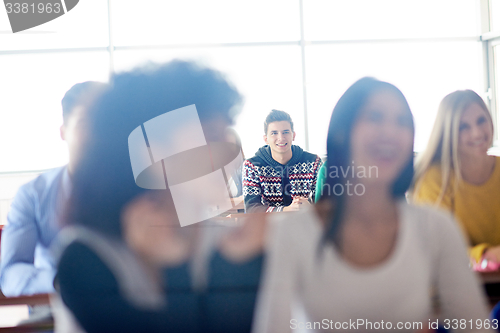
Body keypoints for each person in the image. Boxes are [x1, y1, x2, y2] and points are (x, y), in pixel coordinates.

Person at [252, 78, 490, 332]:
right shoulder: (293, 233)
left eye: (401, 121)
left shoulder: (436, 227)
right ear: (343, 132)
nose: (390, 132)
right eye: (375, 117)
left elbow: (475, 326)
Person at [56, 60, 266, 333]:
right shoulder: (85, 255)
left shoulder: (224, 240)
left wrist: (241, 261)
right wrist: (175, 268)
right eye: (211, 135)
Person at [0, 81, 105, 297]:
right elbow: (10, 273)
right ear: (63, 132)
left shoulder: (141, 190)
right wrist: (60, 281)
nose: (97, 135)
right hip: (54, 310)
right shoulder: (33, 195)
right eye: (85, 124)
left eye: (105, 124)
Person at [412, 90, 500, 264]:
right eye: (463, 127)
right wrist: (486, 256)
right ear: (448, 133)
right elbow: (435, 249)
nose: (477, 133)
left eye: (481, 120)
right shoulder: (435, 178)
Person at [242, 110, 322, 213]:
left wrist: (310, 207)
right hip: (269, 226)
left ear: (293, 135)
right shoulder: (252, 166)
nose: (281, 138)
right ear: (266, 139)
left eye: (285, 132)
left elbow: (326, 205)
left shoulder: (313, 162)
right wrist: (285, 210)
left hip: (303, 224)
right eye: (274, 133)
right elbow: (251, 209)